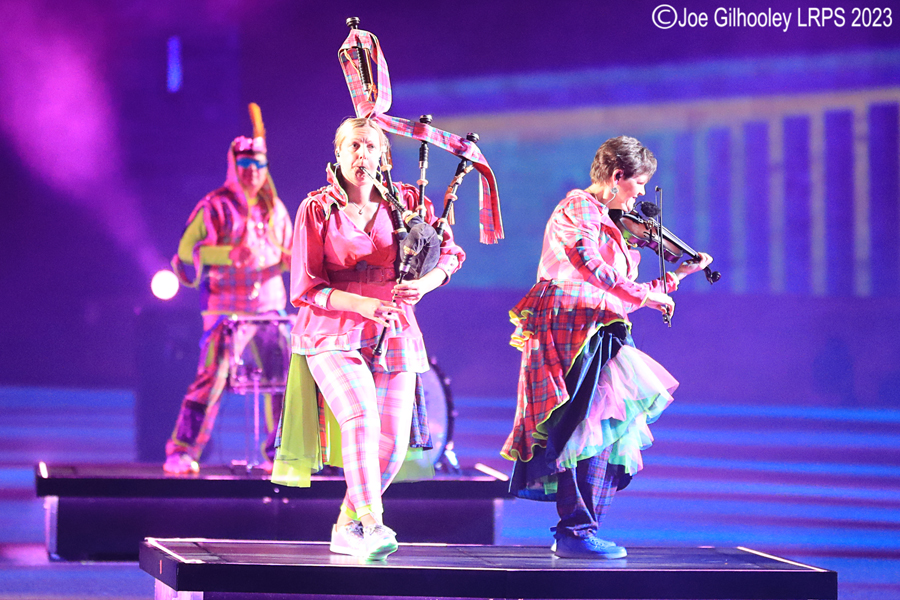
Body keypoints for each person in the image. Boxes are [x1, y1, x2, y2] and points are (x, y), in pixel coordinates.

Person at [500, 135, 713, 559]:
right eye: (638, 185)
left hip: (603, 325)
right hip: (572, 326)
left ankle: (579, 529)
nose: (638, 198)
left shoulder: (613, 222)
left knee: (600, 428)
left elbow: (622, 290)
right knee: (583, 425)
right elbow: (589, 266)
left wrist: (677, 278)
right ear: (617, 177)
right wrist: (647, 295)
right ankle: (574, 531)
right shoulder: (578, 207)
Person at [272, 117, 465, 560]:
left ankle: (347, 526)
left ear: (384, 155)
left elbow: (450, 252)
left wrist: (427, 282)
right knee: (360, 417)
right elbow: (304, 289)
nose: (362, 155)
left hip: (394, 329)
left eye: (370, 147)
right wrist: (363, 306)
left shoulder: (409, 202)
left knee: (393, 446)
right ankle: (374, 525)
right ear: (337, 154)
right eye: (354, 146)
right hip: (331, 333)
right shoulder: (316, 209)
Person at [165, 134, 293, 474]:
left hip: (269, 306)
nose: (252, 172)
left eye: (258, 165)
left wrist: (289, 259)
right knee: (213, 378)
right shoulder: (215, 206)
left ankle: (279, 453)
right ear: (234, 166)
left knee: (283, 379)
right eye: (245, 165)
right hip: (227, 308)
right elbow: (184, 252)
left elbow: (290, 255)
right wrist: (228, 254)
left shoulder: (275, 209)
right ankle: (182, 450)